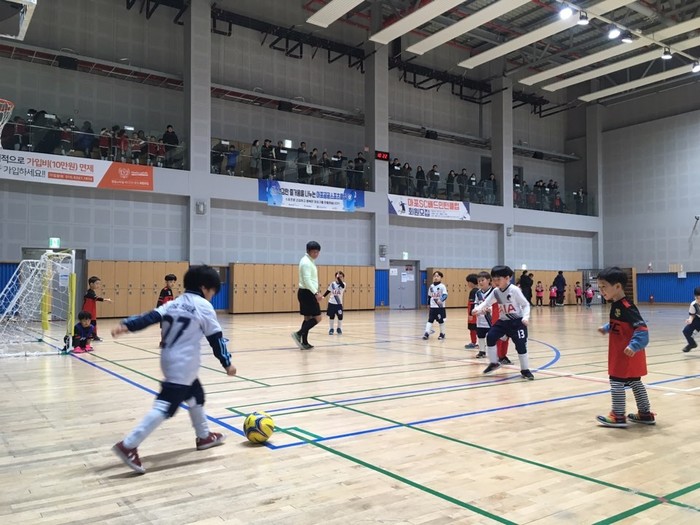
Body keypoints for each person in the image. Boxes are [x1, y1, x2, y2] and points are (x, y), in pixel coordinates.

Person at [111, 265, 236, 474]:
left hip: (169, 358)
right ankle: (129, 445)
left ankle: (204, 436)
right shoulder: (204, 306)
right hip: (184, 363)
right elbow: (216, 339)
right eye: (213, 292)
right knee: (166, 406)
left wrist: (127, 325)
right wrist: (227, 363)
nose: (212, 296)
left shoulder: (174, 303)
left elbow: (150, 317)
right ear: (204, 288)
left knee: (195, 395)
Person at [595, 266, 655, 427]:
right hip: (626, 353)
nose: (601, 290)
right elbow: (622, 324)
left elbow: (642, 329)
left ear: (617, 286)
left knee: (616, 382)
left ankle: (618, 415)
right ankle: (645, 414)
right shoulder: (617, 305)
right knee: (635, 382)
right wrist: (607, 327)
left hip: (626, 354)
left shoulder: (627, 307)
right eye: (599, 287)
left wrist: (634, 346)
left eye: (604, 286)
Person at [471, 265, 534, 380]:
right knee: (490, 336)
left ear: (507, 278)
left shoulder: (514, 290)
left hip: (517, 322)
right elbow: (487, 302)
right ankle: (494, 363)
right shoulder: (496, 291)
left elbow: (525, 304)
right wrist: (477, 309)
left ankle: (525, 370)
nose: (495, 282)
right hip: (503, 321)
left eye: (498, 279)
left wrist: (526, 317)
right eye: (494, 280)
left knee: (521, 346)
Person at [473, 271, 510, 362]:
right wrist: (476, 310)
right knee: (480, 335)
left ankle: (498, 354)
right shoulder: (478, 293)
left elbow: (496, 305)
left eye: (482, 280)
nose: (480, 282)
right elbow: (476, 304)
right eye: (479, 281)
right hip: (480, 318)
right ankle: (482, 351)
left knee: (494, 336)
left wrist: (490, 310)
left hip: (492, 318)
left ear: (489, 280)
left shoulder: (494, 291)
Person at [292, 241, 322, 350]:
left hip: (306, 292)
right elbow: (307, 280)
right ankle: (298, 334)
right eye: (314, 252)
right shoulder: (306, 262)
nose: (316, 254)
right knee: (318, 318)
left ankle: (304, 342)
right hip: (307, 293)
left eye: (317, 252)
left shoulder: (309, 261)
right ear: (308, 251)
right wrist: (316, 293)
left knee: (308, 318)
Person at [82, 276, 112, 341]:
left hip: (91, 311)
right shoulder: (89, 292)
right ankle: (89, 336)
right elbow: (96, 298)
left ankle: (94, 335)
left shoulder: (92, 292)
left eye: (99, 284)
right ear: (91, 284)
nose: (98, 285)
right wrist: (106, 299)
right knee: (88, 323)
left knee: (93, 323)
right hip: (87, 311)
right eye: (97, 283)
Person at [423, 271, 447, 340]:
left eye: (437, 276)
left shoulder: (442, 286)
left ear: (441, 277)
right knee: (430, 320)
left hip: (440, 307)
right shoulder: (431, 286)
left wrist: (441, 300)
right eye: (435, 276)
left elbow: (445, 295)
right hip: (432, 307)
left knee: (441, 321)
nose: (436, 278)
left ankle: (442, 333)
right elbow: (429, 296)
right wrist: (428, 304)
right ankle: (427, 333)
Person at [323, 271, 345, 335]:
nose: (340, 278)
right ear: (335, 277)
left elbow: (342, 286)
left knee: (340, 316)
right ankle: (331, 328)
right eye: (339, 277)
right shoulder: (332, 284)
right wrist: (323, 297)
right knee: (331, 316)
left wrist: (338, 278)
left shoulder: (343, 284)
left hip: (339, 304)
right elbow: (328, 291)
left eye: (341, 277)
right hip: (331, 303)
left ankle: (339, 328)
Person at [682, 286, 700, 352]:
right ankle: (692, 344)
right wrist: (690, 320)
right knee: (686, 331)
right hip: (698, 319)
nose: (698, 300)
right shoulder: (693, 304)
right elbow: (692, 315)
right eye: (697, 298)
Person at [464, 274, 478, 350]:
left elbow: (472, 303)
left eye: (468, 282)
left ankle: (473, 342)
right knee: (476, 328)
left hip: (473, 314)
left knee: (472, 329)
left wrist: (470, 314)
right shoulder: (478, 291)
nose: (468, 284)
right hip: (476, 313)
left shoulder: (473, 291)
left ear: (472, 282)